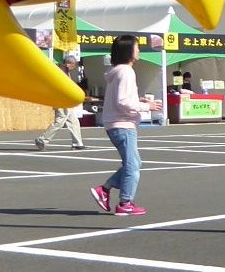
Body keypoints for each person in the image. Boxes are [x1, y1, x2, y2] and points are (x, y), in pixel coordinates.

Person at [90, 34, 146, 215]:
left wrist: (140, 101)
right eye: (136, 47)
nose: (139, 50)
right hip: (123, 124)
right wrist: (146, 106)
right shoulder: (126, 72)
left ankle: (105, 189)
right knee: (132, 166)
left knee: (134, 163)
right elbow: (123, 102)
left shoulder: (117, 71)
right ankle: (125, 203)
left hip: (116, 123)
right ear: (128, 51)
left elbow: (121, 99)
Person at [35, 54, 87, 150]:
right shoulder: (61, 71)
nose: (74, 67)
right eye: (73, 65)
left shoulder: (64, 70)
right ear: (69, 63)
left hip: (64, 100)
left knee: (73, 121)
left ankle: (77, 143)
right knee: (60, 121)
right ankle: (42, 139)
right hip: (61, 100)